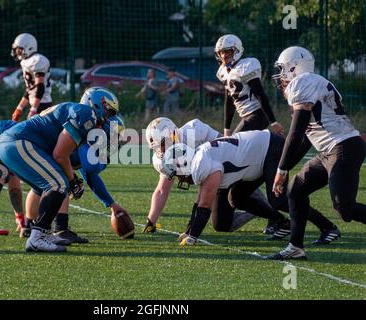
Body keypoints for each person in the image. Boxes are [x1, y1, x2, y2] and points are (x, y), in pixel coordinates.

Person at [268, 46, 366, 260]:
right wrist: (285, 169)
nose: (281, 75)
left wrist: (281, 170)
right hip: (329, 150)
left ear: (295, 67)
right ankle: (295, 247)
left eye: (283, 68)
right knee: (296, 190)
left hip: (344, 146)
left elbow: (295, 133)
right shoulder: (310, 83)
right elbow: (304, 139)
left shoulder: (303, 82)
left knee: (344, 208)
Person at [161, 130, 338, 247]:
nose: (179, 179)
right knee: (236, 198)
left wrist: (193, 237)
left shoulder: (202, 164)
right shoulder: (199, 159)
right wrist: (188, 230)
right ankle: (282, 223)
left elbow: (205, 204)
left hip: (269, 149)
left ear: (184, 163)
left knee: (279, 200)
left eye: (177, 174)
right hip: (255, 158)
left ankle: (328, 228)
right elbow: (200, 200)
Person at [0, 87, 119, 252]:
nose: (109, 117)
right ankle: (37, 237)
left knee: (53, 183)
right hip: (20, 142)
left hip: (17, 143)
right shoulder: (86, 113)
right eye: (109, 111)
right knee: (58, 183)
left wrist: (72, 179)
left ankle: (40, 231)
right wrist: (72, 180)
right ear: (96, 103)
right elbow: (60, 155)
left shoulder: (78, 112)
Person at [144, 117, 266, 236]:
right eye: (157, 147)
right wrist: (151, 221)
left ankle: (272, 213)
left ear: (172, 135)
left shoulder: (195, 130)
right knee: (221, 224)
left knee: (240, 185)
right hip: (213, 178)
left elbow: (229, 147)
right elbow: (162, 190)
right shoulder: (161, 159)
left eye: (162, 145)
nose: (160, 150)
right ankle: (257, 210)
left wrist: (192, 225)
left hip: (229, 169)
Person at [215, 34, 285, 235]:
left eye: (227, 52)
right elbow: (229, 101)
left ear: (236, 50)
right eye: (221, 53)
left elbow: (261, 94)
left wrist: (273, 121)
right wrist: (227, 129)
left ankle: (268, 213)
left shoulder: (248, 66)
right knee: (238, 160)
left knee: (232, 157)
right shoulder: (224, 71)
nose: (224, 56)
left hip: (257, 117)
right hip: (246, 118)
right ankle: (261, 207)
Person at [20, 114, 128, 244]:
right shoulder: (85, 140)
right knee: (63, 182)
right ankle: (60, 229)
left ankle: (28, 226)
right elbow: (91, 169)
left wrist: (111, 204)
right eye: (115, 135)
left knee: (41, 187)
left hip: (32, 146)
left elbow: (90, 176)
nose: (115, 140)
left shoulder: (85, 136)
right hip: (31, 147)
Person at [11, 33, 52, 121]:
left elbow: (40, 87)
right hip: (36, 104)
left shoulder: (37, 60)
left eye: (19, 49)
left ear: (28, 47)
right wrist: (19, 108)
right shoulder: (26, 62)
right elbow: (30, 89)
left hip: (43, 104)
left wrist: (33, 109)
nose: (17, 52)